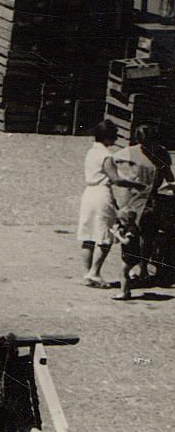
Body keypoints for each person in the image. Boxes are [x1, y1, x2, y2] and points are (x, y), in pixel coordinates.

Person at [108, 121, 169, 300]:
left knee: (148, 235)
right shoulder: (131, 151)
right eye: (143, 144)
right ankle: (133, 268)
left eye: (148, 143)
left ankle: (143, 268)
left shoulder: (162, 153)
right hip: (133, 200)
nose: (145, 148)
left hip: (153, 200)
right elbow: (111, 160)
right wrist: (122, 178)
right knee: (133, 234)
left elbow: (169, 176)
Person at [80, 119, 122, 287]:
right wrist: (135, 183)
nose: (116, 139)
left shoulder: (91, 152)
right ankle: (95, 272)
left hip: (88, 193)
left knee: (88, 234)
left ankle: (88, 272)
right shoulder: (106, 155)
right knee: (105, 235)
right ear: (107, 138)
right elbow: (116, 179)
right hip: (102, 193)